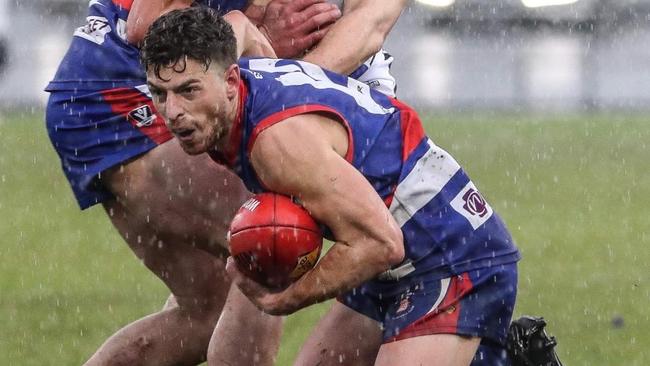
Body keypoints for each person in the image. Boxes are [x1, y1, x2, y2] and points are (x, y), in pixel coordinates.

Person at [141, 7, 521, 366]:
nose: (173, 112)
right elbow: (238, 23)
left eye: (189, 91)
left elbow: (382, 243)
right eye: (160, 93)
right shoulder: (234, 81)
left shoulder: (276, 144)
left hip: (451, 258)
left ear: (230, 80)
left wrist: (286, 298)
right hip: (390, 263)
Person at [45, 0, 406, 365]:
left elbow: (371, 22)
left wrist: (282, 80)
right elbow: (146, 25)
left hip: (126, 87)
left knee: (207, 312)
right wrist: (266, 68)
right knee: (270, 236)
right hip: (124, 84)